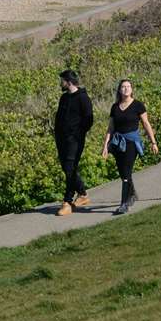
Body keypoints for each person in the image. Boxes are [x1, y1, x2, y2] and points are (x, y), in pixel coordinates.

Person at [102, 79, 158, 215]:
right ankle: (132, 194)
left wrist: (153, 142)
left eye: (128, 86)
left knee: (126, 173)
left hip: (132, 142)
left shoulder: (138, 105)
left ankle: (124, 203)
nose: (126, 89)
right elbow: (110, 128)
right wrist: (105, 146)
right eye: (123, 87)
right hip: (117, 143)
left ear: (132, 89)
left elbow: (146, 124)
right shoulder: (115, 107)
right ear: (119, 90)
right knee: (123, 173)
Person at [53, 69, 94, 216]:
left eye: (62, 80)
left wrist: (78, 134)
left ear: (68, 81)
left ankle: (67, 201)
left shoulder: (83, 98)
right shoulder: (64, 98)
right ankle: (82, 194)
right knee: (67, 168)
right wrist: (57, 135)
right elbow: (59, 118)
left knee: (70, 167)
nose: (61, 83)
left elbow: (89, 119)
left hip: (75, 140)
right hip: (61, 139)